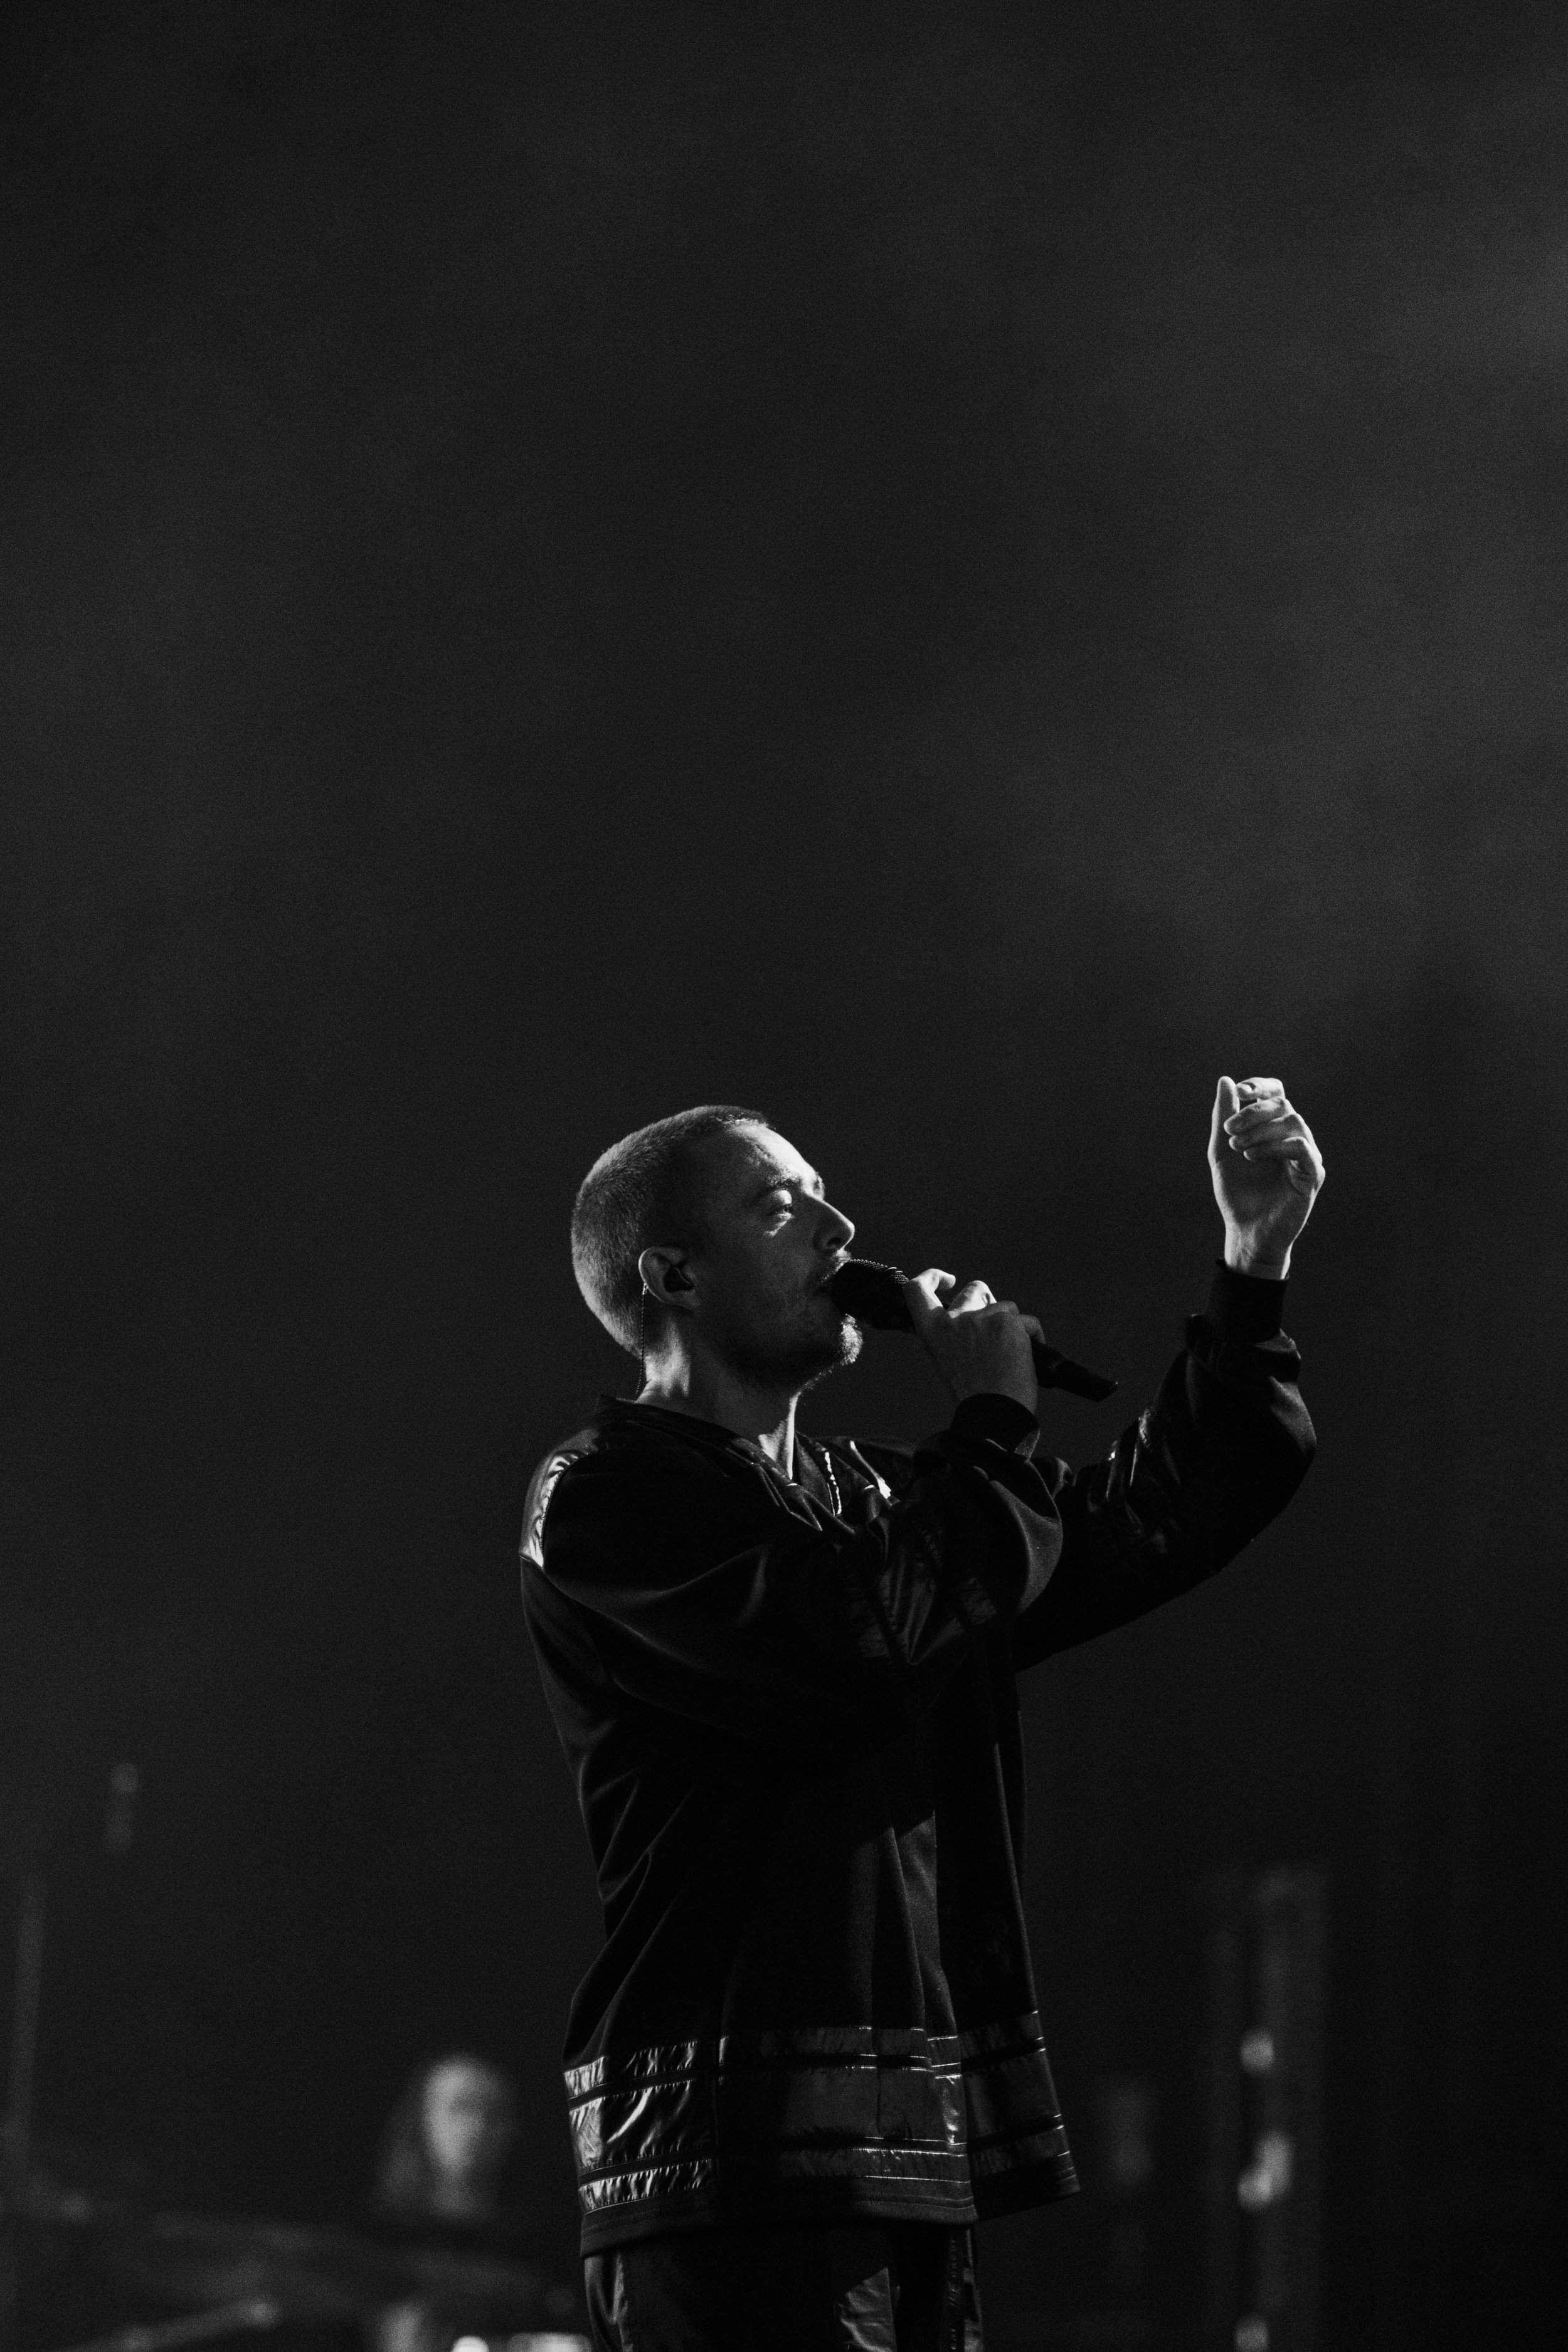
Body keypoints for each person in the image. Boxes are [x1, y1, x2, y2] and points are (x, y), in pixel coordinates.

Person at [519, 1080, 1323, 2351]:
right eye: (783, 1209)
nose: (842, 1233)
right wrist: (994, 1418)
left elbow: (1148, 1521)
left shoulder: (877, 1504)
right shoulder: (605, 1500)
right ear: (671, 1275)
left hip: (900, 2159)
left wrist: (1250, 1263)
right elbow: (853, 1640)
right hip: (728, 2176)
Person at [364, 2054, 525, 2352]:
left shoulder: (536, 2242)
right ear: (422, 2118)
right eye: (459, 2107)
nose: (477, 2125)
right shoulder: (379, 2238)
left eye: (493, 2111)